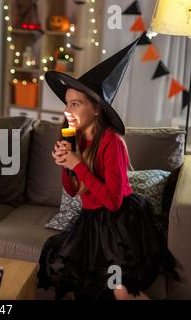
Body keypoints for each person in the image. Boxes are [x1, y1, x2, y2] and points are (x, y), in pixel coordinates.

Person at [37, 39, 178, 300]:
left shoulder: (112, 143)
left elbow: (113, 202)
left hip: (120, 221)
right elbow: (72, 190)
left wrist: (77, 164)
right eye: (66, 103)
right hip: (91, 221)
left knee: (120, 288)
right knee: (71, 273)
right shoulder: (74, 136)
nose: (67, 110)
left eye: (75, 104)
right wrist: (66, 165)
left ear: (97, 109)